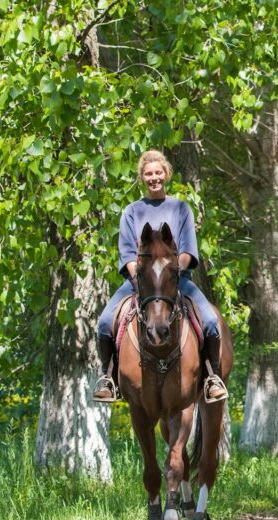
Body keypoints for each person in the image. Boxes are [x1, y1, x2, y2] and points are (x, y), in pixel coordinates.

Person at [92, 149, 228, 404]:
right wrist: (138, 279)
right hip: (139, 283)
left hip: (177, 280)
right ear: (142, 177)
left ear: (166, 174)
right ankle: (108, 378)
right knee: (104, 323)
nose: (154, 177)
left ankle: (212, 378)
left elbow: (188, 250)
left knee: (210, 321)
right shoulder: (131, 212)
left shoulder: (180, 208)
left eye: (158, 172)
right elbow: (127, 253)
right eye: (148, 173)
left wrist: (172, 273)